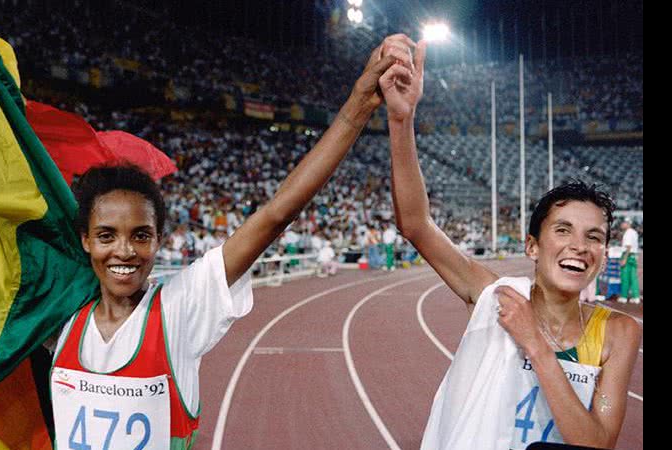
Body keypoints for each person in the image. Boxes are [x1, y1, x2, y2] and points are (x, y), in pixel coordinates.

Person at [48, 37, 408, 450]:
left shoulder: (178, 309)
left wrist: (358, 105)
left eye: (141, 235)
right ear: (85, 241)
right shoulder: (62, 320)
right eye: (107, 236)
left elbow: (275, 215)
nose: (125, 251)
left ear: (160, 240)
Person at [379, 35, 641, 449]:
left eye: (594, 236)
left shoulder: (617, 333)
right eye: (563, 230)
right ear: (532, 247)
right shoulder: (495, 298)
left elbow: (597, 443)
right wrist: (400, 120)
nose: (579, 245)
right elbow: (415, 224)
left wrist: (536, 345)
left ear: (602, 254)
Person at [617, 218, 640, 304]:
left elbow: (628, 247)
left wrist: (624, 259)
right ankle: (636, 296)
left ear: (627, 223)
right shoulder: (634, 232)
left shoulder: (628, 233)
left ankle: (624, 296)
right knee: (633, 278)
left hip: (628, 255)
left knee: (625, 277)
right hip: (633, 256)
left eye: (623, 223)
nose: (622, 224)